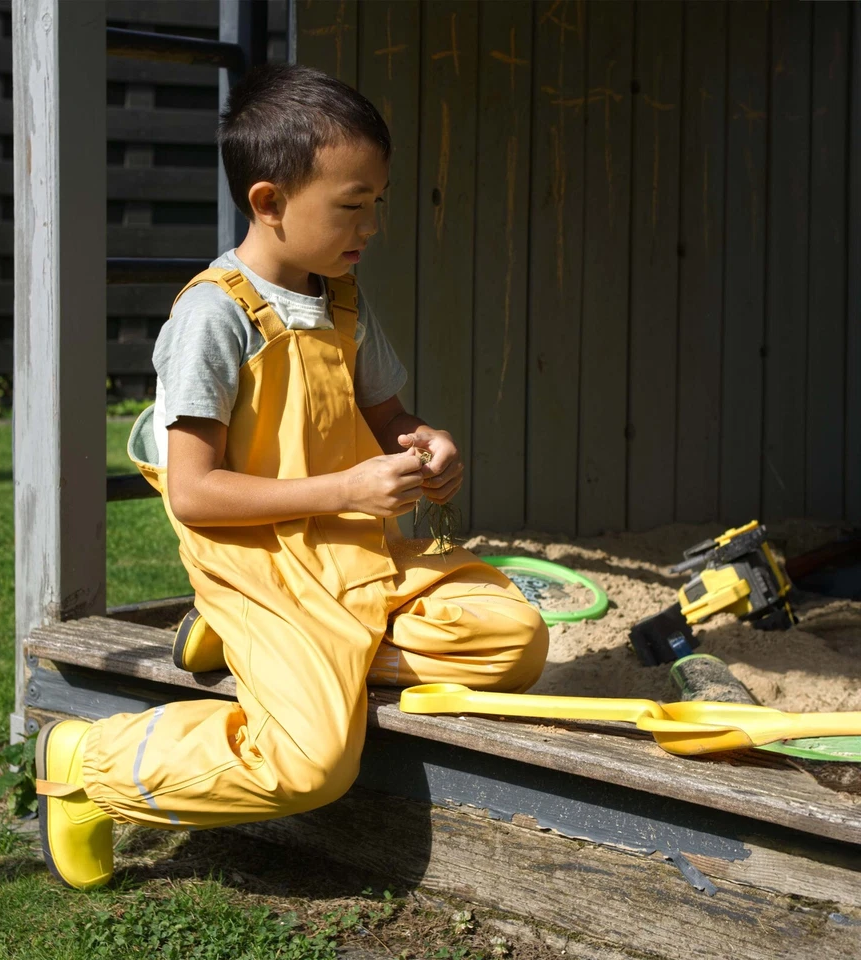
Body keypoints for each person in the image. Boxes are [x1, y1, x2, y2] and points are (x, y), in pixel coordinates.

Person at [34, 64, 548, 890]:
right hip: (264, 568)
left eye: (378, 201)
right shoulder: (214, 317)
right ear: (269, 201)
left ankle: (282, 653)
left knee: (512, 643)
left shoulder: (342, 300)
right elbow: (194, 493)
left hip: (355, 562)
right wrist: (346, 491)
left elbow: (390, 417)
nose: (372, 225)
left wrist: (427, 443)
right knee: (311, 766)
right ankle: (91, 766)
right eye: (352, 205)